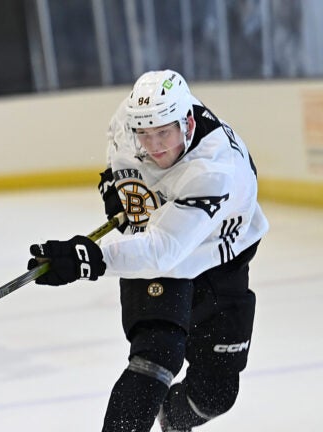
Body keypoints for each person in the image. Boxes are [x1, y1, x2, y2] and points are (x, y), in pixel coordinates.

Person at [27, 70, 269, 431]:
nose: (154, 146)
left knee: (215, 395)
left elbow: (164, 249)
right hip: (159, 250)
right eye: (146, 134)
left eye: (164, 134)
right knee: (155, 358)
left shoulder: (215, 169)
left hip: (217, 257)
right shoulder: (129, 120)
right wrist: (113, 182)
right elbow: (117, 144)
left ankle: (171, 419)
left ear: (187, 123)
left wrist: (88, 259)